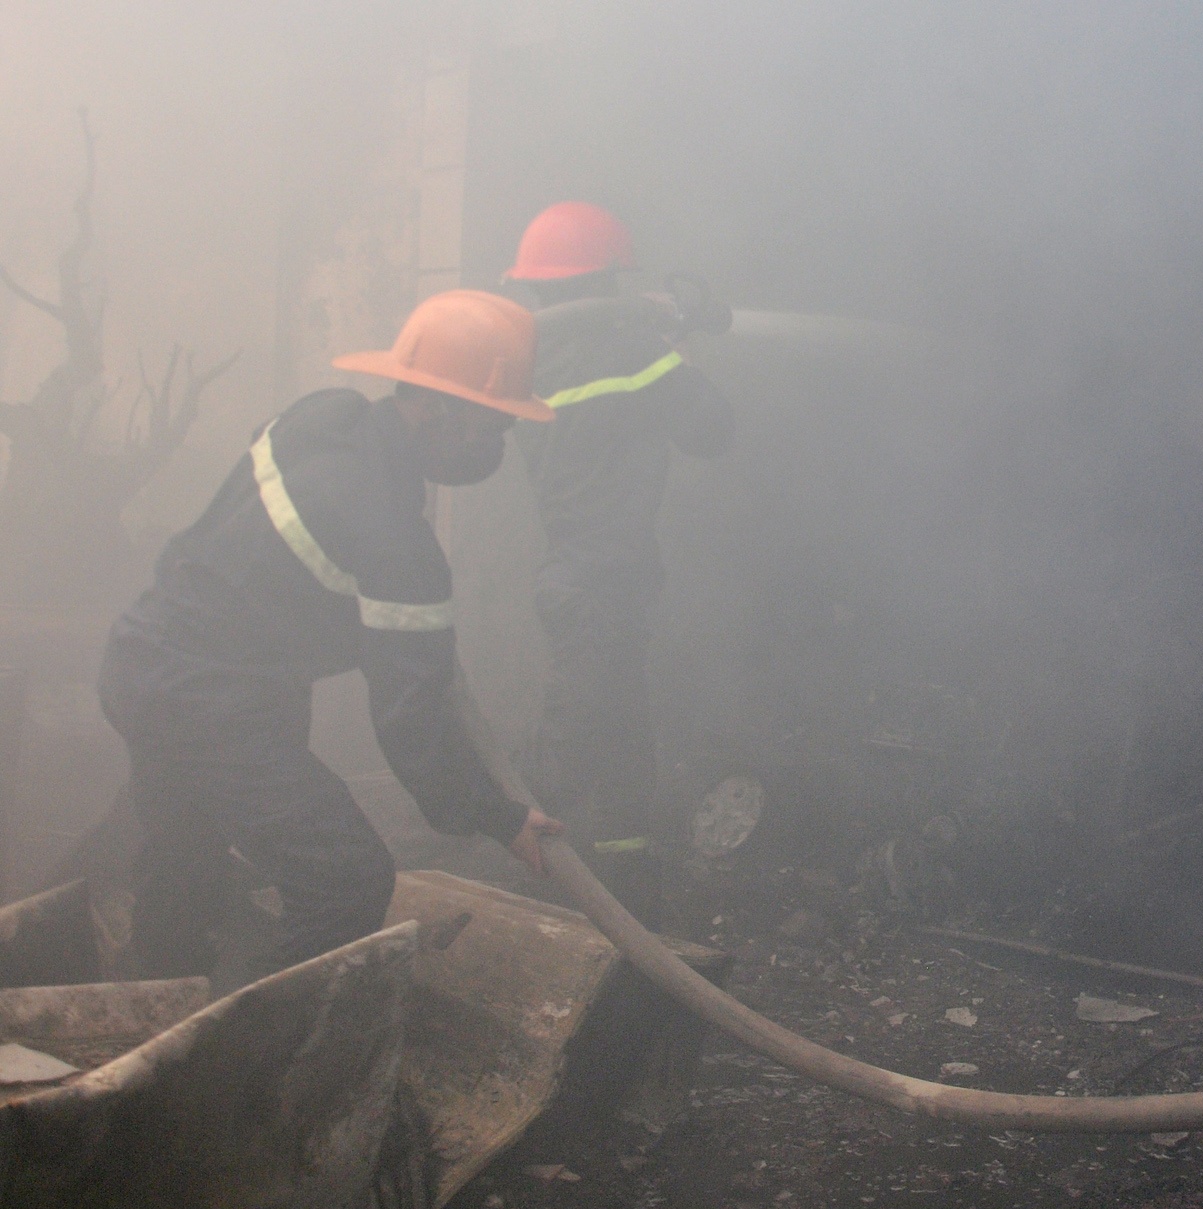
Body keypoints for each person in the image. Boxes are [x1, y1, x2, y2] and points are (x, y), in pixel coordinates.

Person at [99, 289, 563, 982]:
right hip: (212, 702)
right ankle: (260, 1061)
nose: (496, 446)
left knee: (185, 858)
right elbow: (415, 726)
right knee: (346, 878)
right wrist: (501, 817)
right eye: (491, 424)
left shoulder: (320, 417)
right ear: (435, 404)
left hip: (141, 660)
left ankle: (157, 1010)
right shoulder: (399, 547)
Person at [501, 201, 735, 871]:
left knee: (624, 746)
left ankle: (629, 886)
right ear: (607, 280)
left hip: (588, 578)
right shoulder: (631, 351)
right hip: (600, 584)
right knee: (573, 743)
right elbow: (714, 431)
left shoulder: (534, 355)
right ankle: (495, 853)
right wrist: (676, 345)